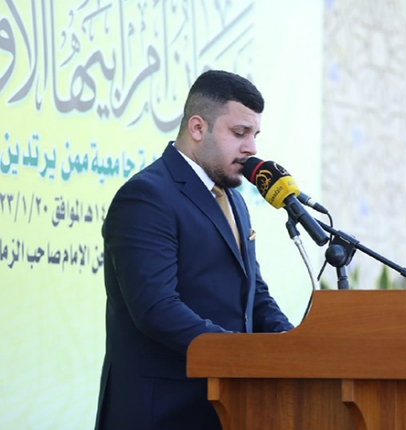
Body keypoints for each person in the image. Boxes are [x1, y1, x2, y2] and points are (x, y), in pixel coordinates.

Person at [95, 70, 294, 429]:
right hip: (162, 412)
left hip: (226, 407)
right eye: (239, 133)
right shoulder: (147, 196)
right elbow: (156, 308)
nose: (251, 148)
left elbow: (253, 294)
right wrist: (243, 354)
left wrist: (293, 344)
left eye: (255, 135)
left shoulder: (233, 200)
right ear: (198, 128)